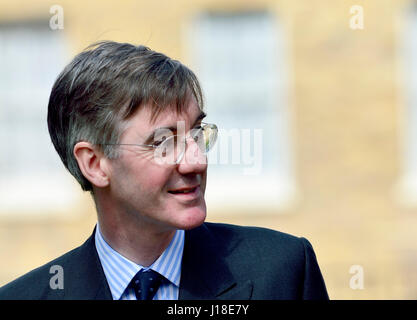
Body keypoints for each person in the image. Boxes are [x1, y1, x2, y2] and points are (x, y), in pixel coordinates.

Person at [0, 41, 328, 300]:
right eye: (163, 143)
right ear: (95, 164)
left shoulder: (282, 272)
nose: (196, 161)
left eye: (197, 133)